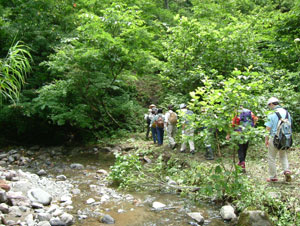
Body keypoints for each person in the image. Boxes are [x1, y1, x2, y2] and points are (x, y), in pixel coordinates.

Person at [265, 97, 292, 182]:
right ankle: (286, 170)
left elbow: (268, 128)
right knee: (283, 155)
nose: (269, 107)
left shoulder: (272, 114)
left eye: (269, 105)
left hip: (274, 138)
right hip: (285, 138)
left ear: (272, 104)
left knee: (271, 157)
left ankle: (273, 177)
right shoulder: (287, 113)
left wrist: (266, 139)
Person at [226, 106, 258, 172]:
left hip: (239, 134)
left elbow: (232, 125)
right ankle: (242, 162)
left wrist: (228, 135)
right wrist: (253, 127)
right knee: (244, 148)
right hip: (247, 133)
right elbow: (255, 119)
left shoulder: (237, 114)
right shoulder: (250, 112)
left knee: (240, 149)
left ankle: (242, 163)